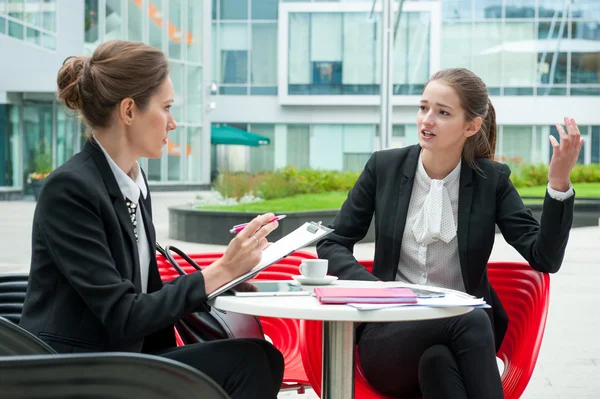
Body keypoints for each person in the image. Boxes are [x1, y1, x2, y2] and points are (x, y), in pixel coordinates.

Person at [20, 40, 284, 399]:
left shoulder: (132, 182)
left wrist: (227, 279)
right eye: (166, 108)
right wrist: (219, 270)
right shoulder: (70, 189)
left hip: (125, 355)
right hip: (76, 369)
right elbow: (123, 312)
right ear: (129, 111)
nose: (173, 123)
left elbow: (148, 293)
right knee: (248, 362)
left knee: (264, 356)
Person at [317, 68, 582, 398]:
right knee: (470, 317)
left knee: (438, 363)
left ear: (471, 126)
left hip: (457, 344)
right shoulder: (383, 167)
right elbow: (332, 241)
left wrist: (558, 184)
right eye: (423, 107)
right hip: (389, 335)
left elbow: (544, 257)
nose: (427, 120)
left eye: (443, 113)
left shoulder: (491, 180)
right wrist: (380, 290)